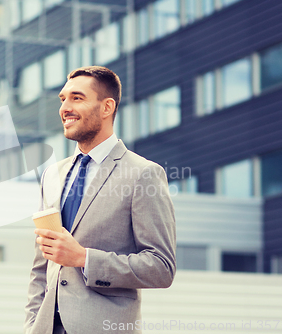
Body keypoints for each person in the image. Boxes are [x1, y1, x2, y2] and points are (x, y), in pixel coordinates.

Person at [24, 66, 176, 334]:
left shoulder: (143, 174)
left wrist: (84, 258)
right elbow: (41, 266)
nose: (65, 108)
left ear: (107, 107)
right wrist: (31, 327)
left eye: (77, 98)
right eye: (63, 99)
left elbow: (161, 267)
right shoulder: (52, 174)